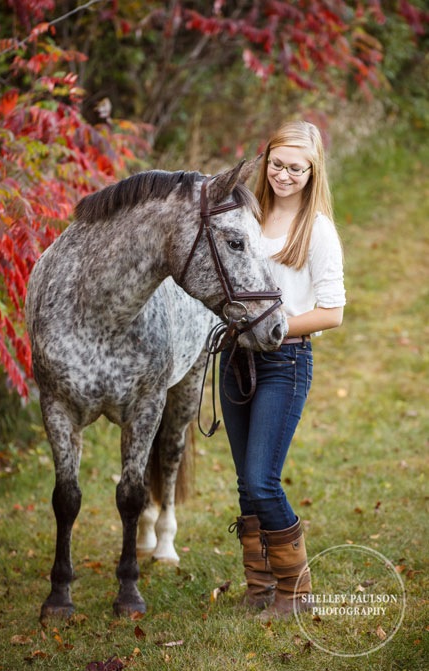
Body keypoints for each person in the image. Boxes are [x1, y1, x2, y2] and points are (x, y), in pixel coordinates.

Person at [220, 120, 345, 618]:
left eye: (296, 168)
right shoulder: (244, 216)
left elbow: (332, 312)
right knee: (243, 483)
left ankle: (296, 590)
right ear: (265, 160)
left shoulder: (317, 230)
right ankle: (259, 586)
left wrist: (275, 328)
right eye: (277, 164)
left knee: (261, 479)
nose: (284, 175)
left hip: (285, 362)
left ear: (312, 172)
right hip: (234, 359)